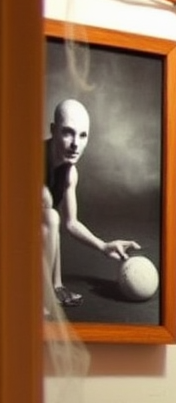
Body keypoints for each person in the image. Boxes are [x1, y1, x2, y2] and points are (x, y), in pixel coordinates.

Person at [42, 98, 141, 309]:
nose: (76, 144)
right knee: (50, 215)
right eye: (68, 132)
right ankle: (43, 293)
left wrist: (104, 246)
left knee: (51, 216)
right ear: (53, 130)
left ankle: (54, 286)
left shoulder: (69, 173)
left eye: (83, 135)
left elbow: (70, 224)